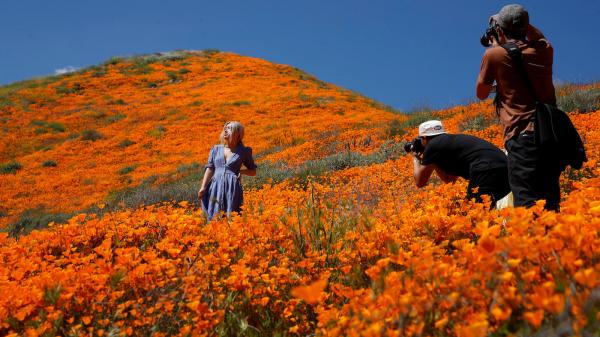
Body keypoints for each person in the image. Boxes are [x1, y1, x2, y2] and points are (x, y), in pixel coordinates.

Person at [476, 4, 561, 211]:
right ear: (526, 26)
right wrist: (519, 23)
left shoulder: (494, 55)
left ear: (500, 29)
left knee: (526, 201)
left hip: (523, 134)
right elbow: (538, 36)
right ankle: (557, 241)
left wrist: (497, 45)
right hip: (551, 136)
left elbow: (481, 93)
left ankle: (532, 243)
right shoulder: (544, 49)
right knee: (550, 200)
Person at [411, 120, 511, 207]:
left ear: (424, 137)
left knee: (474, 213)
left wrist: (415, 157)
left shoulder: (433, 145)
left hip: (486, 169)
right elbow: (449, 179)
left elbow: (420, 182)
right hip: (507, 171)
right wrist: (434, 160)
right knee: (483, 210)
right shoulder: (449, 142)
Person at [198, 121, 257, 220]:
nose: (225, 130)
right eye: (225, 128)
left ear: (238, 133)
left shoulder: (244, 151)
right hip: (215, 186)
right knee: (214, 215)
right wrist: (203, 187)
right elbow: (210, 168)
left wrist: (240, 172)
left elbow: (253, 171)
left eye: (229, 128)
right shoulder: (216, 149)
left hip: (232, 187)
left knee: (232, 215)